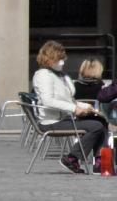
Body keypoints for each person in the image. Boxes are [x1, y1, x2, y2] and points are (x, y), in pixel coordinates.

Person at [33, 40, 108, 174]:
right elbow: (47, 101)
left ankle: (100, 162)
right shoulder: (43, 75)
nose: (62, 62)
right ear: (50, 59)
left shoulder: (62, 76)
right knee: (95, 127)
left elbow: (70, 100)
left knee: (101, 121)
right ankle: (72, 158)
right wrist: (74, 109)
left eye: (63, 58)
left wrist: (88, 107)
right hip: (51, 121)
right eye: (59, 59)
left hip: (66, 118)